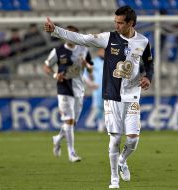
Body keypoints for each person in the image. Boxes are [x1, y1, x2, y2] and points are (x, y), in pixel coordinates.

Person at [44, 5, 154, 189]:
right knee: (115, 139)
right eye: (115, 22)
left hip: (133, 96)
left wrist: (148, 78)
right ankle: (114, 179)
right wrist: (56, 30)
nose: (116, 26)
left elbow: (149, 64)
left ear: (131, 23)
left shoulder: (143, 41)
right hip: (112, 97)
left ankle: (122, 161)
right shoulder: (108, 39)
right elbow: (81, 38)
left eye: (120, 23)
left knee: (133, 140)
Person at [43, 25, 94, 163]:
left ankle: (58, 138)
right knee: (69, 121)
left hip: (79, 89)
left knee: (72, 123)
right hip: (64, 88)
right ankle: (71, 153)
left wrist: (86, 65)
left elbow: (91, 69)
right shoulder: (58, 51)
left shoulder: (84, 49)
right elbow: (46, 66)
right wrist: (55, 75)